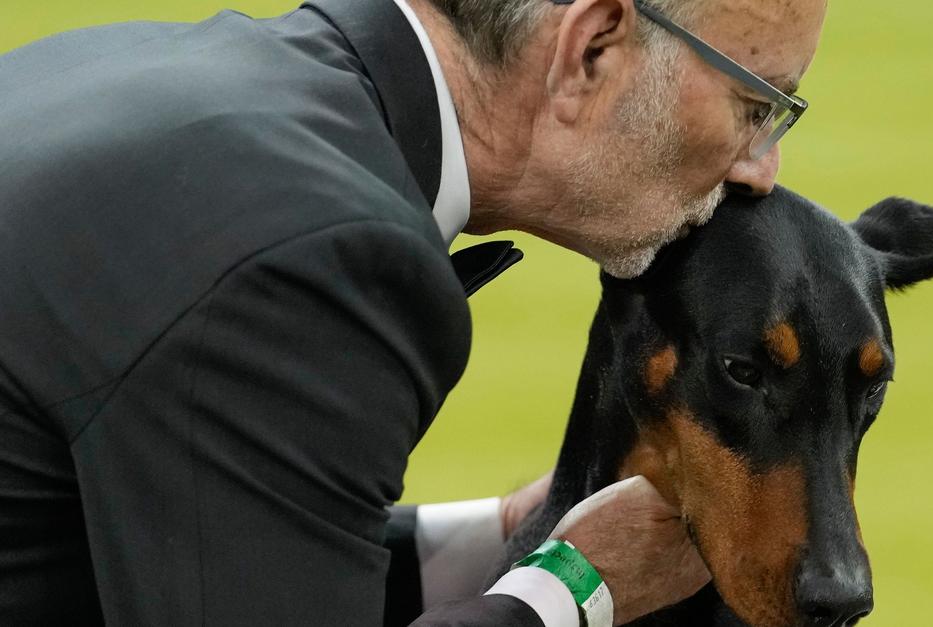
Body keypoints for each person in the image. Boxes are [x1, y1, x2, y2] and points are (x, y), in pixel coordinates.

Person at [0, 0, 827, 624]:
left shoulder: (152, 65)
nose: (762, 168)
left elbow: (209, 538)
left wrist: (513, 531)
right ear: (593, 47)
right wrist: (575, 586)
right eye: (758, 106)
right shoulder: (315, 250)